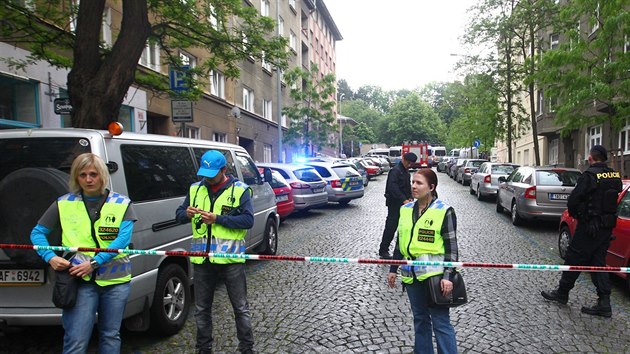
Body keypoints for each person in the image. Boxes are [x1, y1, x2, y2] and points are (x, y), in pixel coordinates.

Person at [30, 153, 137, 354]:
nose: (88, 180)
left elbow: (121, 241)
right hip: (79, 282)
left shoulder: (122, 203)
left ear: (103, 176)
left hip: (116, 283)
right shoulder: (63, 203)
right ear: (76, 177)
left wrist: (95, 262)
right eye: (83, 175)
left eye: (93, 174)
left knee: (110, 335)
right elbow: (37, 233)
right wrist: (50, 257)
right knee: (76, 340)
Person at [175, 150, 255, 354]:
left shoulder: (240, 190)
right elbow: (178, 215)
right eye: (204, 173)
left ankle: (246, 349)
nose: (207, 178)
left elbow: (248, 220)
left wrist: (218, 219)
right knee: (201, 309)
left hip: (231, 259)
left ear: (224, 170)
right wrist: (186, 213)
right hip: (202, 259)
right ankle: (203, 349)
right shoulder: (195, 189)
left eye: (212, 174)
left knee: (240, 308)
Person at [541, 145, 622, 317]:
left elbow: (574, 201)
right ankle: (604, 302)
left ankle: (562, 293)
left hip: (589, 226)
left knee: (574, 258)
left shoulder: (589, 176)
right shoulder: (615, 176)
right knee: (598, 263)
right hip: (606, 228)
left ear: (591, 158)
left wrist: (580, 216)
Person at [387, 168, 459, 354]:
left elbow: (452, 248)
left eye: (419, 183)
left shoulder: (444, 211)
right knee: (420, 320)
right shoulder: (405, 209)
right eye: (413, 182)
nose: (413, 186)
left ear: (432, 187)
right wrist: (393, 269)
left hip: (435, 278)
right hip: (411, 277)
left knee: (441, 323)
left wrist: (448, 276)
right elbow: (400, 242)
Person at [378, 152, 417, 259]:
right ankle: (383, 250)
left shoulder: (405, 172)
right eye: (408, 162)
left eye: (411, 163)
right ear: (403, 159)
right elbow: (393, 187)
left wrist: (410, 197)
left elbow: (407, 186)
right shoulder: (395, 171)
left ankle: (402, 249)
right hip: (394, 204)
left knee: (404, 227)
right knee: (391, 227)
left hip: (405, 205)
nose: (409, 165)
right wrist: (404, 200)